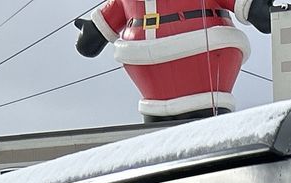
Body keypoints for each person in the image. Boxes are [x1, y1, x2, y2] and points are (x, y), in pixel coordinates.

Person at [75, 0, 273, 122]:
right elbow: (114, 11)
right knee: (160, 145)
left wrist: (254, 7)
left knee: (203, 139)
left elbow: (256, 12)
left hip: (202, 66)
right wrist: (94, 31)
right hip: (149, 80)